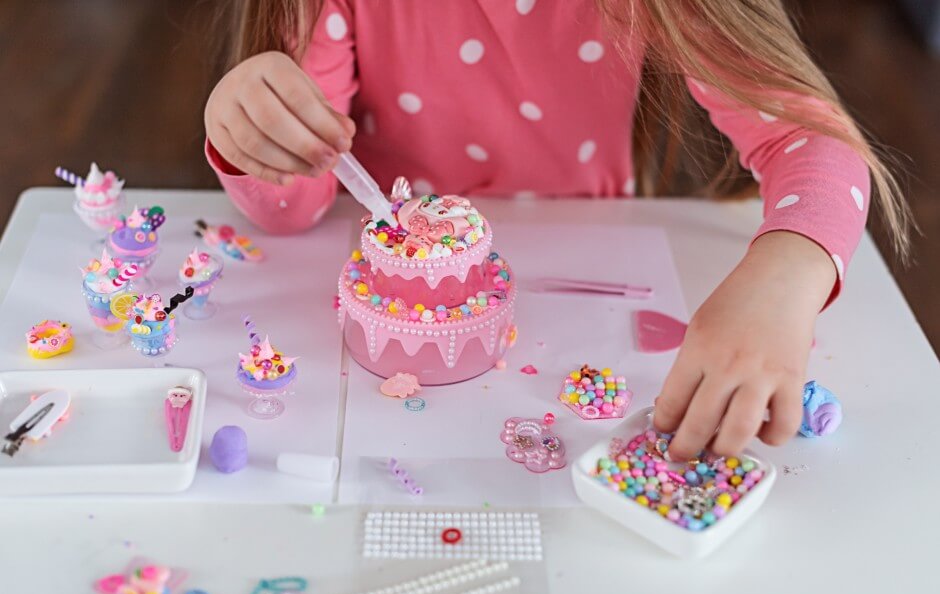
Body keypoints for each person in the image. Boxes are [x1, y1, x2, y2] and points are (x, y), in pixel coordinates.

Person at [203, 0, 913, 460]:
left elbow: (810, 139)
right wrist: (248, 126)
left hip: (593, 301)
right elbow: (287, 208)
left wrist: (783, 279)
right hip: (391, 362)